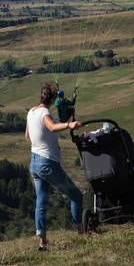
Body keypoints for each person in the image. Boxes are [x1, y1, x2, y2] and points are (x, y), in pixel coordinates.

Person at [25, 83, 83, 251]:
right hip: (47, 164)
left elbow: (27, 136)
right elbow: (51, 126)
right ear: (52, 99)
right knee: (76, 196)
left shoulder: (31, 111)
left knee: (41, 202)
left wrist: (36, 148)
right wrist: (69, 125)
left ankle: (43, 241)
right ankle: (81, 233)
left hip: (34, 162)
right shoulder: (44, 112)